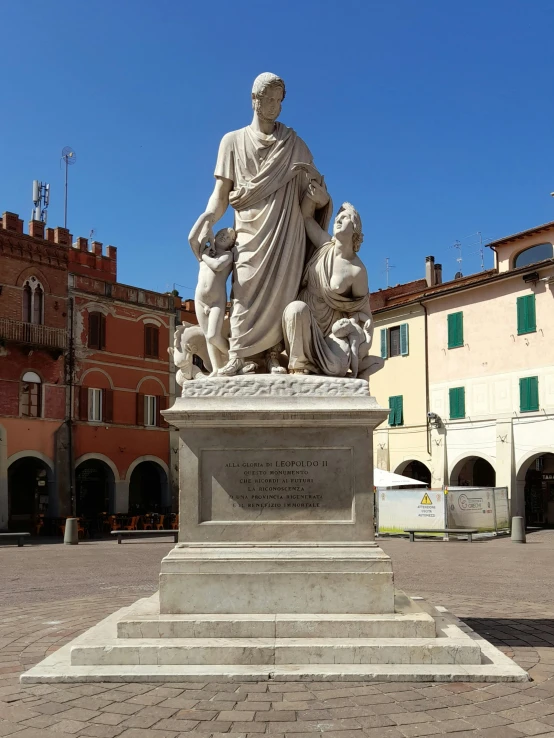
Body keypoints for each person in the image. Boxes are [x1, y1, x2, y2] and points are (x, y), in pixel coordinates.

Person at [188, 72, 332, 376]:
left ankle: (270, 356)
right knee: (244, 290)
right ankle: (241, 356)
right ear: (255, 100)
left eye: (280, 100)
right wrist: (207, 219)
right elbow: (220, 195)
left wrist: (320, 198)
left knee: (283, 292)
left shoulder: (294, 144)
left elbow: (316, 185)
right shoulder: (232, 142)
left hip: (286, 233)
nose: (276, 106)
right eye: (270, 99)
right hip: (249, 234)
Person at [282, 181, 373, 377]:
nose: (338, 220)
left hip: (331, 329)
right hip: (303, 320)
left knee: (337, 367)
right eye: (337, 217)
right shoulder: (325, 245)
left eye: (345, 218)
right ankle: (299, 367)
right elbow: (306, 218)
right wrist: (312, 196)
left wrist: (355, 335)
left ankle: (322, 364)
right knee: (295, 309)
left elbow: (364, 315)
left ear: (355, 228)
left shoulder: (357, 271)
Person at [194, 227, 235, 375]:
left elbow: (217, 266)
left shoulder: (228, 255)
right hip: (199, 300)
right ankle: (216, 368)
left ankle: (234, 357)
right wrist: (206, 220)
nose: (225, 237)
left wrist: (204, 256)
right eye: (222, 234)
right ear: (216, 236)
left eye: (229, 237)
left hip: (217, 301)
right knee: (207, 337)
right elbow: (191, 238)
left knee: (213, 335)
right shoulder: (205, 252)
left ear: (231, 244)